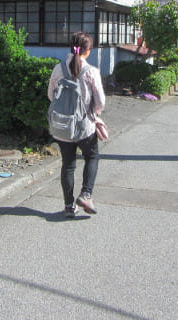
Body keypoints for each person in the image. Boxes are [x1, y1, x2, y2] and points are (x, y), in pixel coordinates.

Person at [47, 32, 106, 218]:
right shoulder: (91, 72)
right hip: (84, 127)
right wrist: (93, 114)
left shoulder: (58, 69)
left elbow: (51, 95)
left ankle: (68, 206)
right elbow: (100, 103)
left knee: (68, 165)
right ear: (87, 51)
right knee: (92, 156)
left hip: (62, 127)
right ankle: (86, 195)